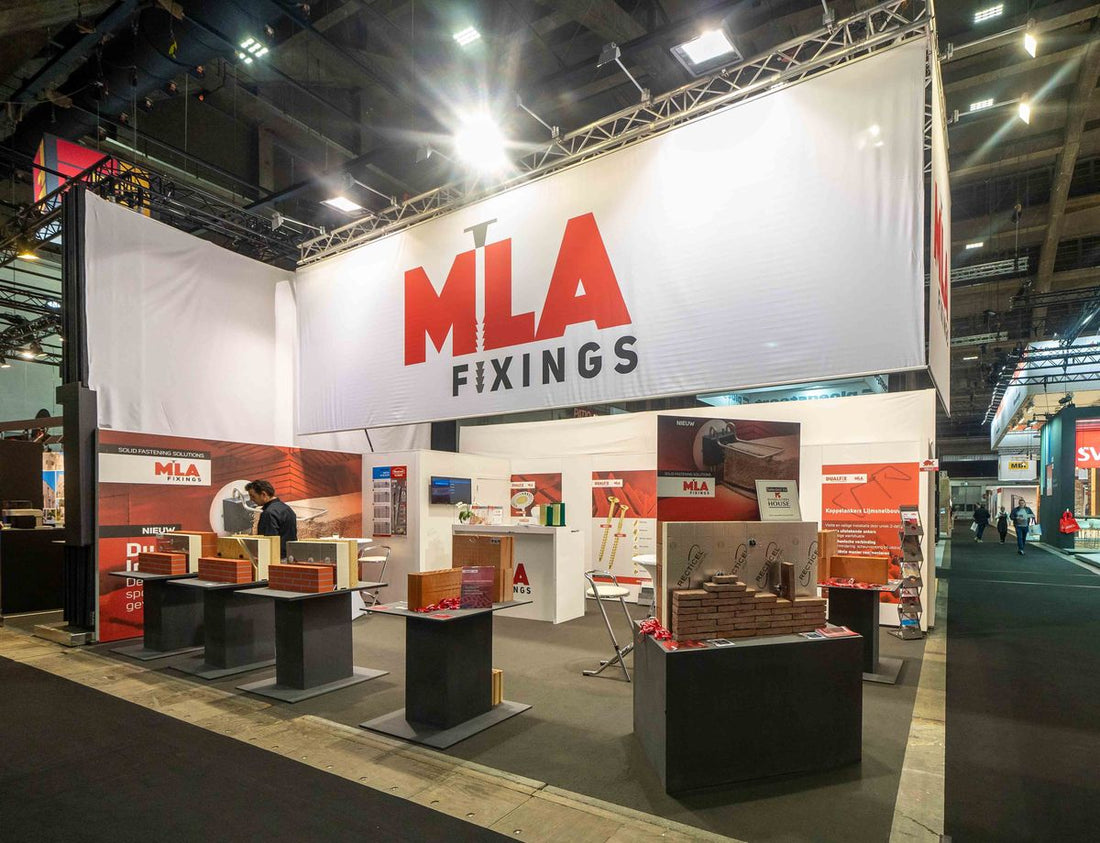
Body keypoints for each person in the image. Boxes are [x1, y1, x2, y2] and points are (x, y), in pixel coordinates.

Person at [245, 479, 297, 558]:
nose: (251, 499)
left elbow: (268, 541)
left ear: (263, 494)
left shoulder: (268, 513)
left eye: (253, 496)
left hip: (275, 558)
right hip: (290, 556)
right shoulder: (288, 509)